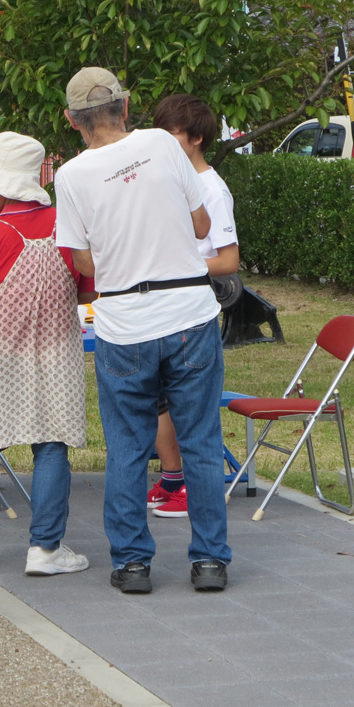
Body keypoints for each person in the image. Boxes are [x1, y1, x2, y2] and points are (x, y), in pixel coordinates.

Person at [54, 67, 231, 594]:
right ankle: (209, 562)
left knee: (127, 447)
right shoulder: (161, 143)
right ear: (125, 108)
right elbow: (202, 226)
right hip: (188, 313)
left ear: (72, 120)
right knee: (200, 440)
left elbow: (81, 258)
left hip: (124, 319)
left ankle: (133, 564)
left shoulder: (70, 176)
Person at [0, 132, 97, 576]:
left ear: (2, 185)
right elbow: (86, 289)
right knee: (51, 443)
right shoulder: (67, 227)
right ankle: (45, 550)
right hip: (55, 351)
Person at [147, 94, 241, 519]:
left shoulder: (212, 191)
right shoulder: (168, 181)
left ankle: (189, 485)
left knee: (185, 402)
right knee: (158, 399)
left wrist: (180, 267)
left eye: (172, 135)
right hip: (158, 308)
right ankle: (171, 478)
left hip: (193, 310)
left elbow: (228, 260)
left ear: (197, 138)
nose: (163, 143)